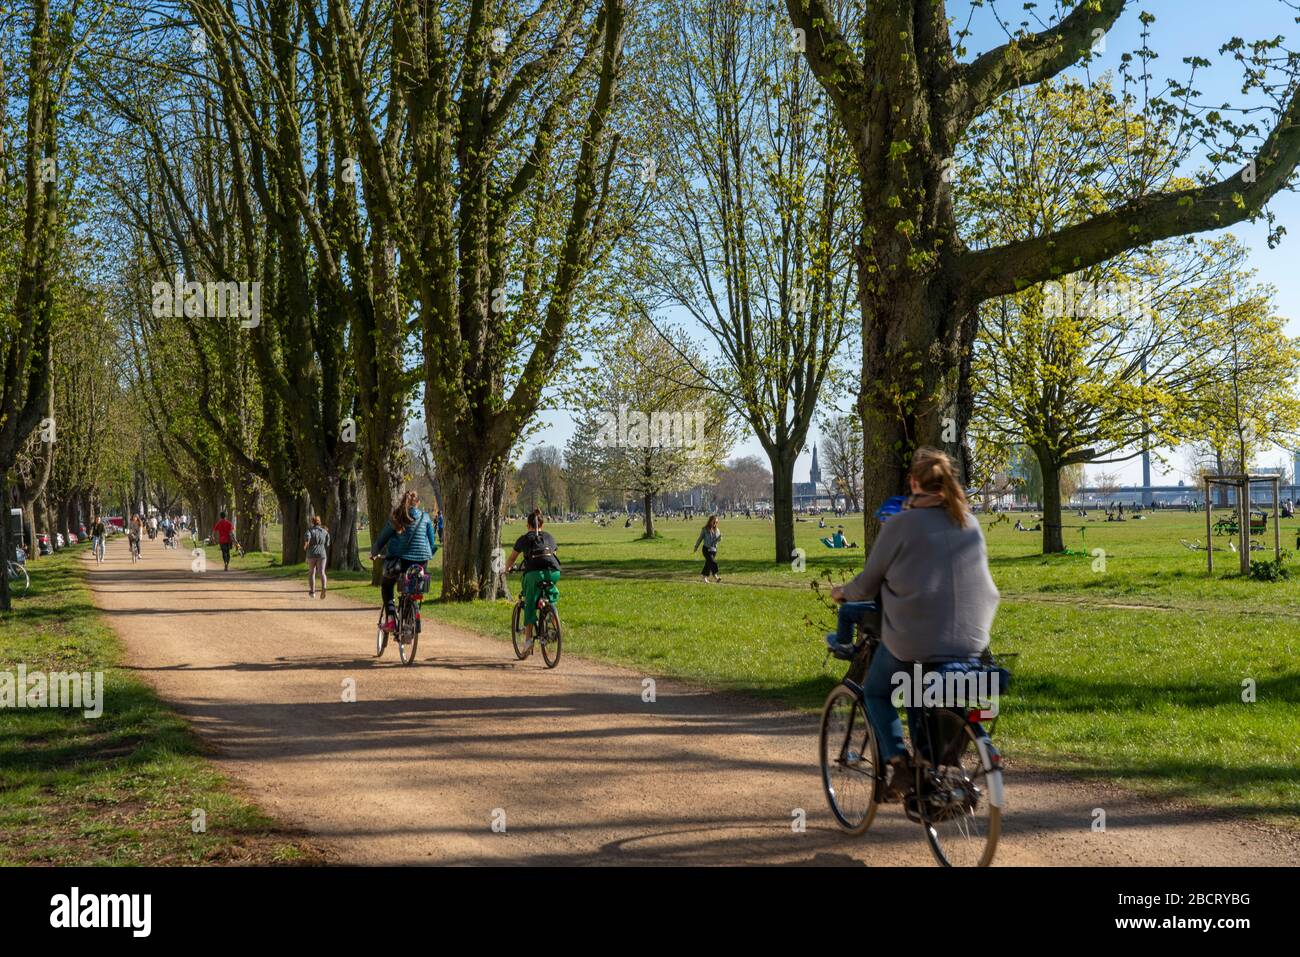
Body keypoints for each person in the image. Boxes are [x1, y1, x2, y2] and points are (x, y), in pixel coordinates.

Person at [827, 447, 1000, 798]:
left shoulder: (903, 522)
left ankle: (900, 765)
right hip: (974, 638)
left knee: (877, 691)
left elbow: (869, 580)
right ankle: (941, 766)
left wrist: (843, 592)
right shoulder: (969, 521)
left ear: (914, 483)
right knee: (930, 691)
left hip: (915, 637)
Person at [370, 491, 438, 630]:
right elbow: (431, 542)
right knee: (414, 588)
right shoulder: (425, 517)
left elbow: (382, 538)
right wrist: (428, 553)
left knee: (387, 586)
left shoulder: (397, 517)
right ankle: (411, 611)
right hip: (422, 562)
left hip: (400, 561)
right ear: (418, 503)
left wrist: (374, 553)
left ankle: (390, 620)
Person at [504, 508, 560, 655]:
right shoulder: (549, 537)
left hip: (533, 574)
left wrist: (506, 569)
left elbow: (512, 559)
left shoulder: (524, 539)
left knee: (529, 603)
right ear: (542, 524)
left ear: (528, 525)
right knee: (550, 594)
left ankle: (528, 641)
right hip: (553, 572)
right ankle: (555, 624)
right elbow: (552, 555)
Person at [304, 516, 330, 599]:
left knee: (312, 572)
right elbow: (328, 543)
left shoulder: (309, 531)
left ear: (313, 522)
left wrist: (305, 546)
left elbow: (307, 539)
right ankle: (324, 587)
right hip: (322, 553)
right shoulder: (325, 531)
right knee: (322, 572)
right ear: (319, 522)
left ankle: (312, 591)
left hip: (312, 553)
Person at [694, 514, 722, 583]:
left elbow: (718, 540)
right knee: (713, 562)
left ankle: (704, 577)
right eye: (714, 522)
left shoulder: (717, 530)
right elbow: (700, 538)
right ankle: (715, 576)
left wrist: (719, 538)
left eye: (716, 522)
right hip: (706, 549)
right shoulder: (704, 529)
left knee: (708, 564)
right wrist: (696, 546)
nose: (715, 524)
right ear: (710, 521)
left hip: (714, 550)